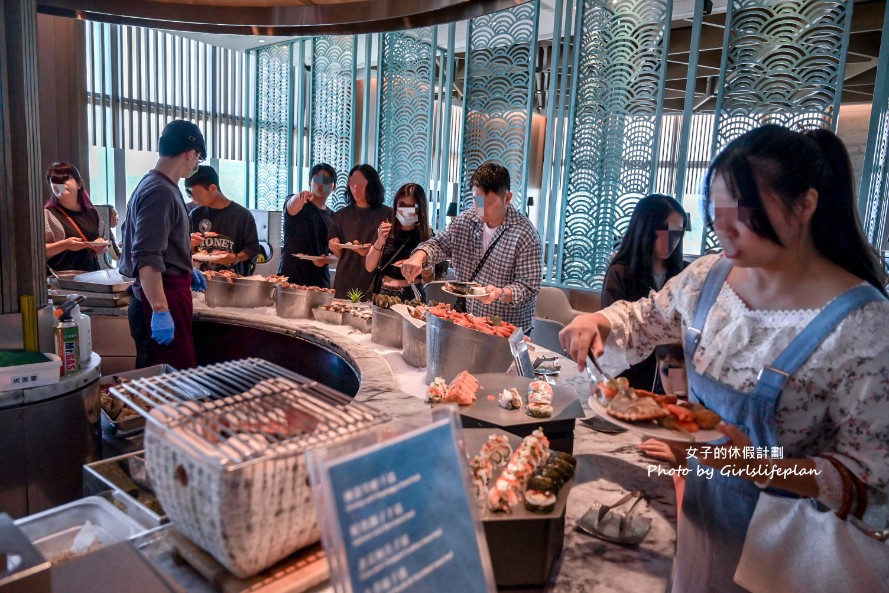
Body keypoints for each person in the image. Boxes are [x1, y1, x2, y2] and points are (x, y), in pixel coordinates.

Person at [560, 125, 889, 592]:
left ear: (805, 205)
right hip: (701, 519)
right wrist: (601, 323)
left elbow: (867, 478)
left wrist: (756, 466)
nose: (722, 227)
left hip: (792, 549)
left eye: (743, 211)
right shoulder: (706, 279)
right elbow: (645, 318)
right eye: (716, 212)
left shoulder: (863, 324)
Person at [400, 162, 543, 332]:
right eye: (477, 201)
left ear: (507, 198)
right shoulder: (465, 221)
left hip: (505, 329)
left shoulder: (525, 234)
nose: (480, 209)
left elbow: (528, 287)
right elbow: (437, 244)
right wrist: (418, 257)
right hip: (469, 320)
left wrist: (500, 293)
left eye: (488, 203)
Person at [120, 120, 208, 369]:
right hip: (161, 297)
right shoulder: (160, 191)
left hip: (167, 290)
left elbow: (161, 244)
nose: (196, 165)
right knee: (167, 387)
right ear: (191, 154)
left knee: (168, 382)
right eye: (198, 158)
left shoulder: (155, 185)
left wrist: (186, 269)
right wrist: (160, 309)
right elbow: (147, 256)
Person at [601, 194, 688, 392]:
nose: (673, 240)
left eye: (678, 233)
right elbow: (614, 330)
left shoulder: (685, 274)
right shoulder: (621, 273)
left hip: (673, 376)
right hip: (630, 376)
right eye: (666, 231)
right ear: (646, 229)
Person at [328, 164, 392, 299]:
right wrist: (334, 246)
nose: (355, 188)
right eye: (352, 183)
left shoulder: (388, 214)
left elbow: (393, 252)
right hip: (346, 281)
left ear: (372, 184)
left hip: (375, 283)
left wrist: (372, 251)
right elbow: (340, 254)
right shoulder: (341, 215)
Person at [185, 165, 260, 277]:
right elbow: (186, 251)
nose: (195, 200)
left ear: (213, 188)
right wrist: (189, 243)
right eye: (191, 196)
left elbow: (252, 249)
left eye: (198, 194)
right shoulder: (195, 215)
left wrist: (234, 258)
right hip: (201, 279)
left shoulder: (243, 215)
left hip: (232, 280)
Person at [365, 183, 434, 302]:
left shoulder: (426, 235)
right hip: (384, 293)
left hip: (412, 294)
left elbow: (429, 279)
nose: (405, 212)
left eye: (411, 207)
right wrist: (379, 241)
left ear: (420, 209)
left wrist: (422, 268)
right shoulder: (386, 231)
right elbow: (369, 266)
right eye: (402, 206)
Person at [279, 163, 337, 287]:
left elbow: (337, 254)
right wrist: (301, 196)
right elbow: (291, 206)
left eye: (327, 180)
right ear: (310, 182)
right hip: (291, 277)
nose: (322, 183)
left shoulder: (334, 217)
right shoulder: (299, 202)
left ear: (334, 187)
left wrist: (326, 260)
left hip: (320, 281)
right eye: (317, 179)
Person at [43, 162, 107, 272]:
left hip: (92, 277)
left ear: (79, 184)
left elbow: (103, 247)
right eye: (55, 181)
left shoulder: (92, 213)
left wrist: (101, 245)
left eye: (65, 178)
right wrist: (65, 245)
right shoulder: (48, 214)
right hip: (62, 281)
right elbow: (38, 251)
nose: (60, 184)